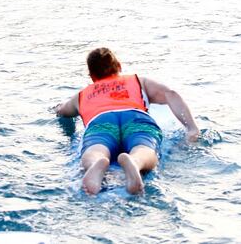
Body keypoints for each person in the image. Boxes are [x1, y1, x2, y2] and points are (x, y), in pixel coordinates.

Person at [54, 48, 199, 194]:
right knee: (144, 148)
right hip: (136, 118)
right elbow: (171, 94)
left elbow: (62, 111)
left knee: (95, 149)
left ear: (91, 76)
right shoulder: (138, 82)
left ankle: (96, 163)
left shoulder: (82, 95)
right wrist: (191, 128)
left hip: (101, 120)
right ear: (119, 66)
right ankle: (136, 162)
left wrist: (58, 107)